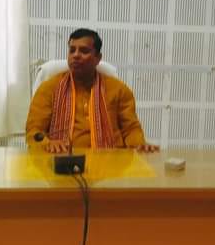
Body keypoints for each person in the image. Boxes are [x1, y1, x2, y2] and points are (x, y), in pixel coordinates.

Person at [26, 28, 158, 153]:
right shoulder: (49, 88)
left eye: (84, 51)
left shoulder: (118, 90)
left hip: (111, 162)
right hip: (63, 160)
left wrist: (140, 145)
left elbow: (131, 129)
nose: (76, 55)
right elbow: (34, 131)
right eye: (72, 50)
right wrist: (48, 143)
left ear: (98, 58)